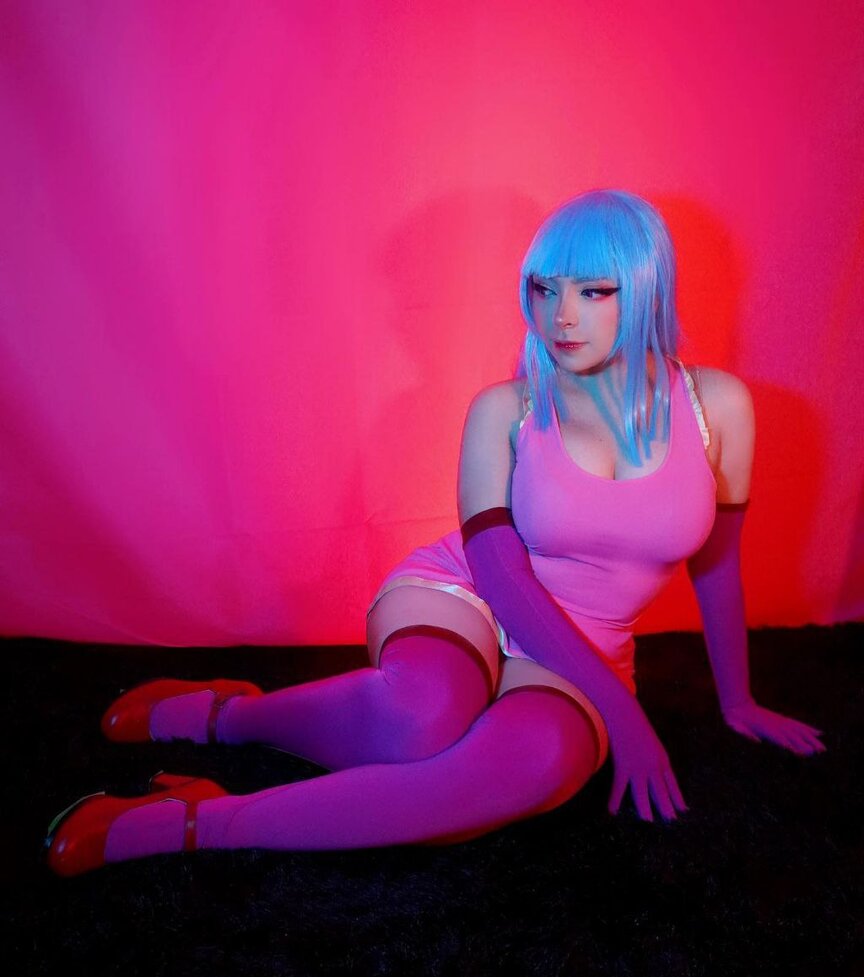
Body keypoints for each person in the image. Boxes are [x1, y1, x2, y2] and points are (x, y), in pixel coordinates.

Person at [44, 189, 825, 877]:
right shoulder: (506, 408)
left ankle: (213, 792)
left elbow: (716, 565)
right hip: (467, 595)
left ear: (649, 289)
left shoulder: (717, 408)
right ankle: (220, 749)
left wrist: (737, 700)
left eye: (594, 291)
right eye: (545, 288)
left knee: (533, 764)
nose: (561, 315)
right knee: (424, 713)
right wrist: (625, 718)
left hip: (588, 644)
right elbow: (502, 576)